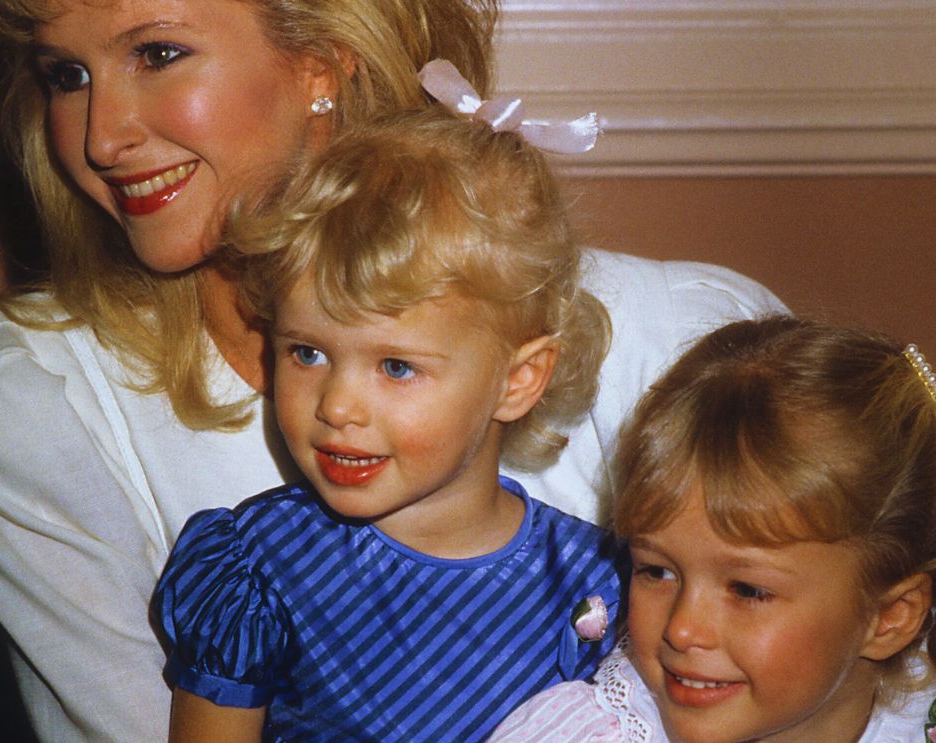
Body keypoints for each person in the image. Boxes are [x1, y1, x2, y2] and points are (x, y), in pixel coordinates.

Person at [0, 0, 784, 740]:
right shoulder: (30, 396)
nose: (102, 137)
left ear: (324, 61)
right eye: (65, 75)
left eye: (158, 53)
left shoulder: (676, 340)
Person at [154, 103, 624, 741]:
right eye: (308, 353)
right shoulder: (261, 570)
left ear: (517, 381)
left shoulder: (592, 582)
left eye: (397, 367)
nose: (337, 407)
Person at [490, 316, 936, 743]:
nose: (684, 628)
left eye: (747, 590)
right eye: (656, 570)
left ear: (889, 617)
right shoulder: (585, 732)